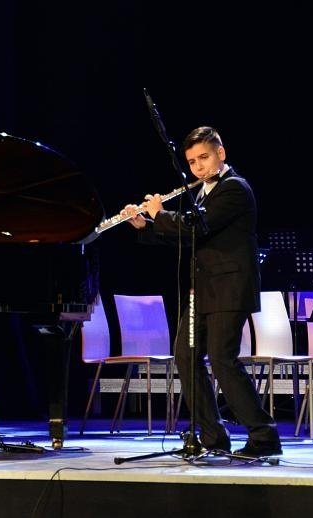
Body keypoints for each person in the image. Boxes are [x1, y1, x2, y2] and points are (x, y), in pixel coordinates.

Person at [120, 126, 281, 457]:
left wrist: (160, 213)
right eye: (192, 162)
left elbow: (199, 225)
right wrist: (147, 225)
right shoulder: (204, 193)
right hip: (204, 291)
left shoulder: (234, 188)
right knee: (185, 356)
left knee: (223, 360)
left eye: (203, 158)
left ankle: (264, 437)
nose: (198, 167)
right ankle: (213, 435)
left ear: (221, 153)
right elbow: (189, 235)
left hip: (229, 288)